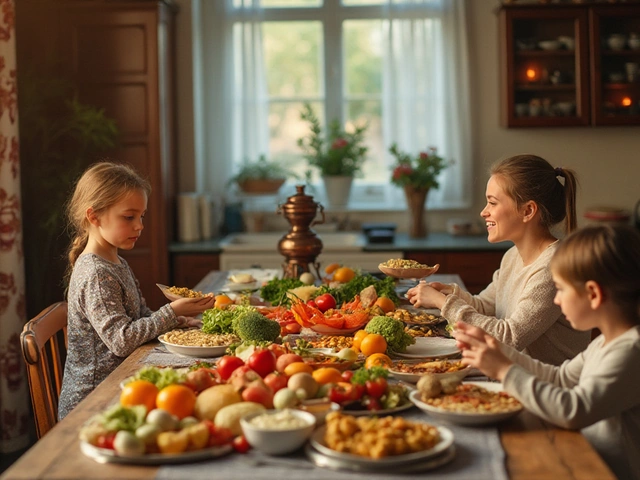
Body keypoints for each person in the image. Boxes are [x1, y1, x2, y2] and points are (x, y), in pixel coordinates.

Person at [453, 224, 640, 480]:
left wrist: (504, 370)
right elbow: (560, 379)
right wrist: (496, 348)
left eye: (561, 289)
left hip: (605, 472)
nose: (557, 300)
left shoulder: (630, 352)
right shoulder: (605, 342)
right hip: (585, 456)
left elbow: (573, 410)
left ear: (594, 294)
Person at [58, 162, 215, 419]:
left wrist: (177, 319)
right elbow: (121, 341)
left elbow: (140, 315)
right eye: (129, 217)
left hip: (122, 383)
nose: (139, 225)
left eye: (141, 216)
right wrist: (170, 312)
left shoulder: (116, 263)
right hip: (93, 402)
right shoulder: (96, 274)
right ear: (94, 216)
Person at [406, 154, 591, 365]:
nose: (484, 212)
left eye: (492, 203)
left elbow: (508, 337)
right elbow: (485, 306)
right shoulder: (512, 256)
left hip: (550, 389)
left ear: (528, 210)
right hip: (517, 377)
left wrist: (443, 303)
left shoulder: (553, 268)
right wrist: (451, 293)